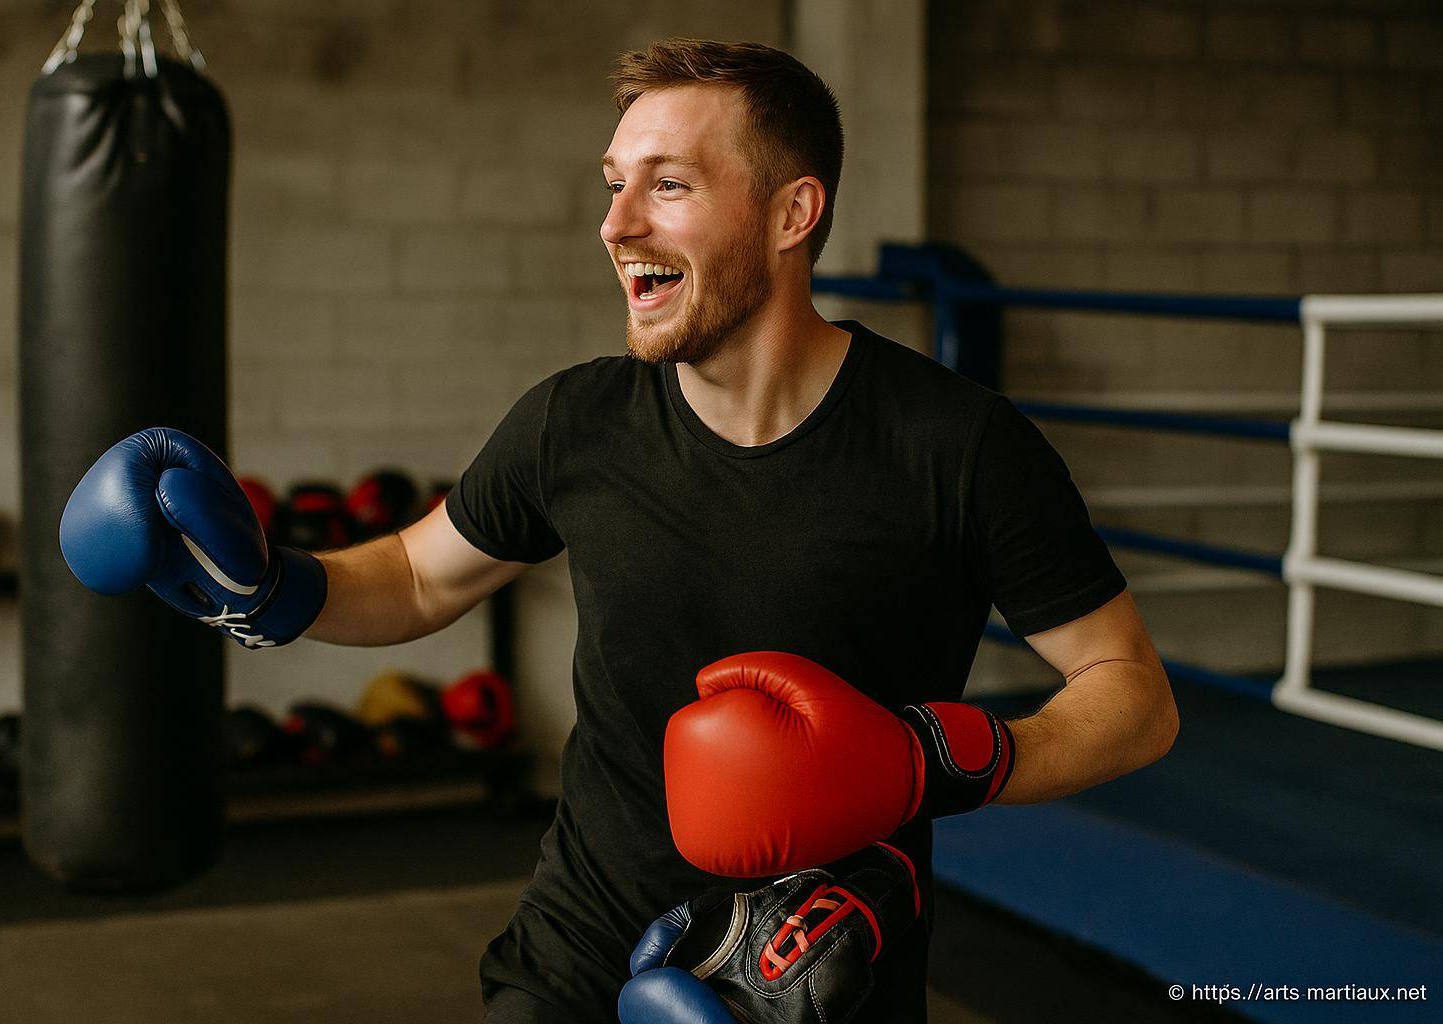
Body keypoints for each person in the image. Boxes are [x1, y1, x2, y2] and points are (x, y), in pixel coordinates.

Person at [61, 38, 1178, 1024]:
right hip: (575, 949)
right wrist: (263, 585)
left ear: (793, 213)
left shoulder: (957, 445)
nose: (616, 224)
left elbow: (1131, 694)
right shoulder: (574, 422)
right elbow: (412, 575)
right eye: (613, 184)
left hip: (810, 975)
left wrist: (927, 758)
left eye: (669, 185)